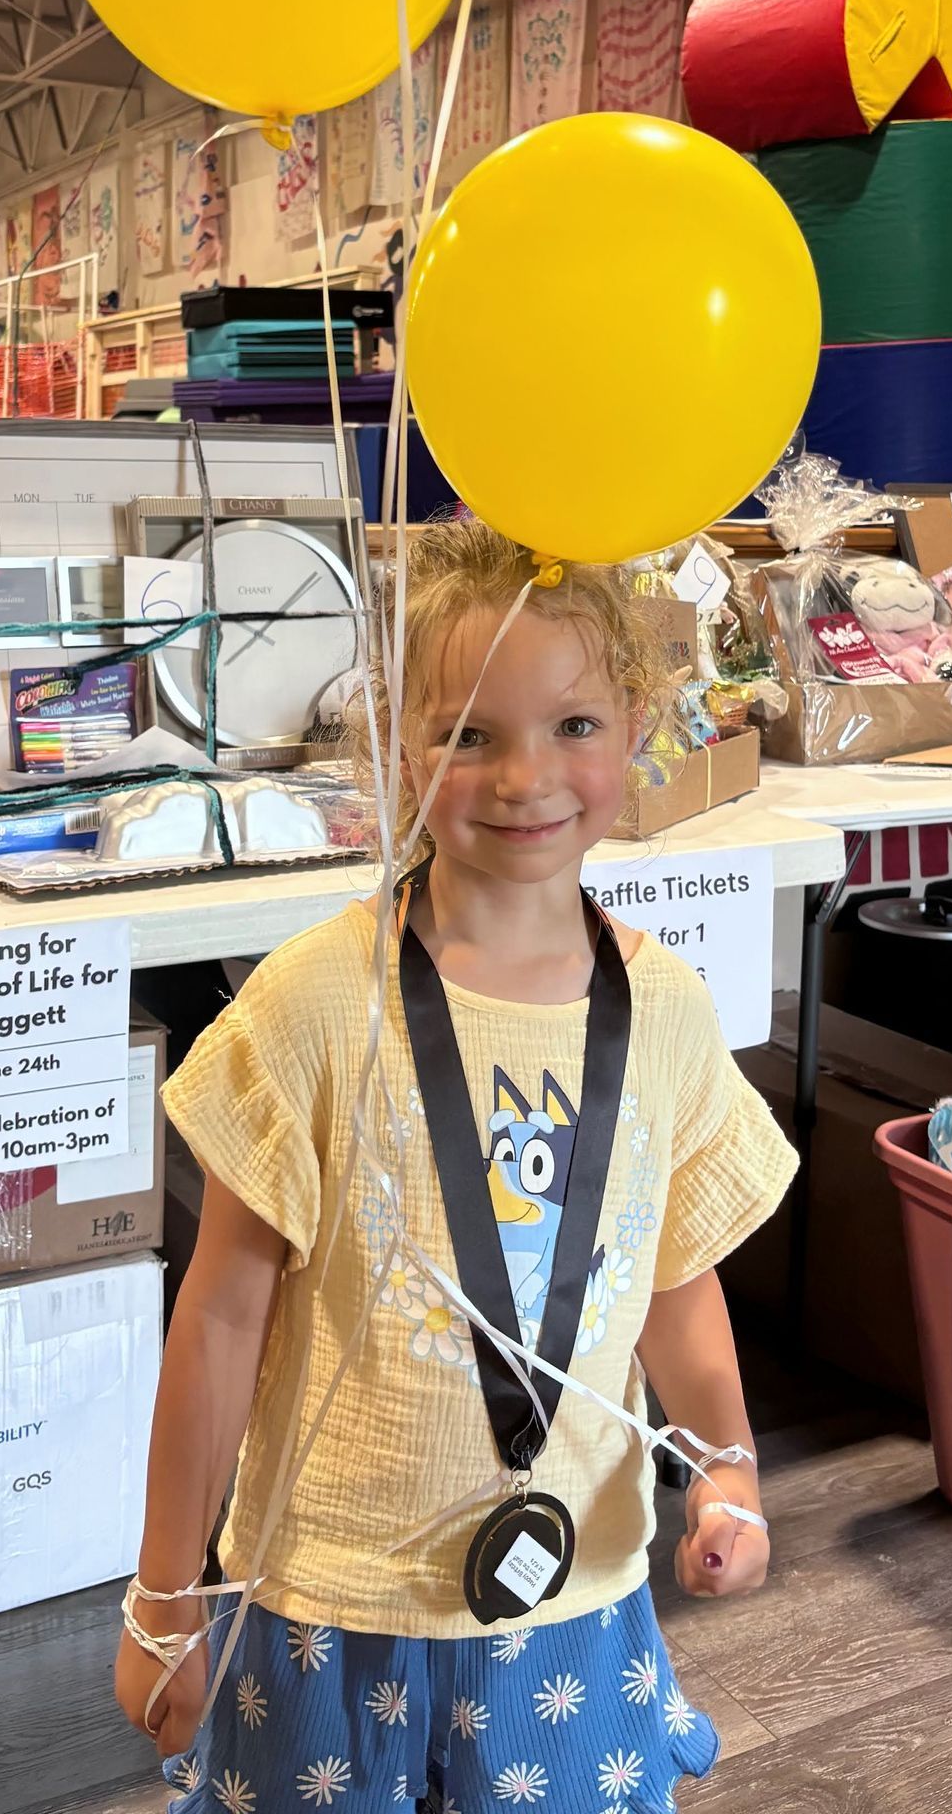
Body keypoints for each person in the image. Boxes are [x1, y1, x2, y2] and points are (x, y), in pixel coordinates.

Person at [117, 519, 795, 1814]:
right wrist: (163, 1597)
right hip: (329, 1599)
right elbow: (216, 1321)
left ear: (639, 720)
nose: (524, 776)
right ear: (397, 740)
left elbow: (676, 1279)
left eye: (575, 726)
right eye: (468, 733)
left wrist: (728, 1469)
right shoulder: (313, 1007)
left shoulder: (667, 1013)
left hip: (581, 1591)